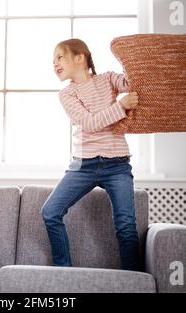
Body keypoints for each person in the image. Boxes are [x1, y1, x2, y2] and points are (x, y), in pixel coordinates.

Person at [42, 38, 141, 271]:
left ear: (79, 57)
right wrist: (121, 106)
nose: (54, 63)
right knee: (50, 212)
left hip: (117, 164)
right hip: (83, 165)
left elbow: (133, 81)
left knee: (126, 226)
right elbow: (90, 122)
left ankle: (134, 281)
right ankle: (63, 270)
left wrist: (129, 57)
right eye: (52, 60)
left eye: (59, 57)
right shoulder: (67, 94)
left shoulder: (107, 79)